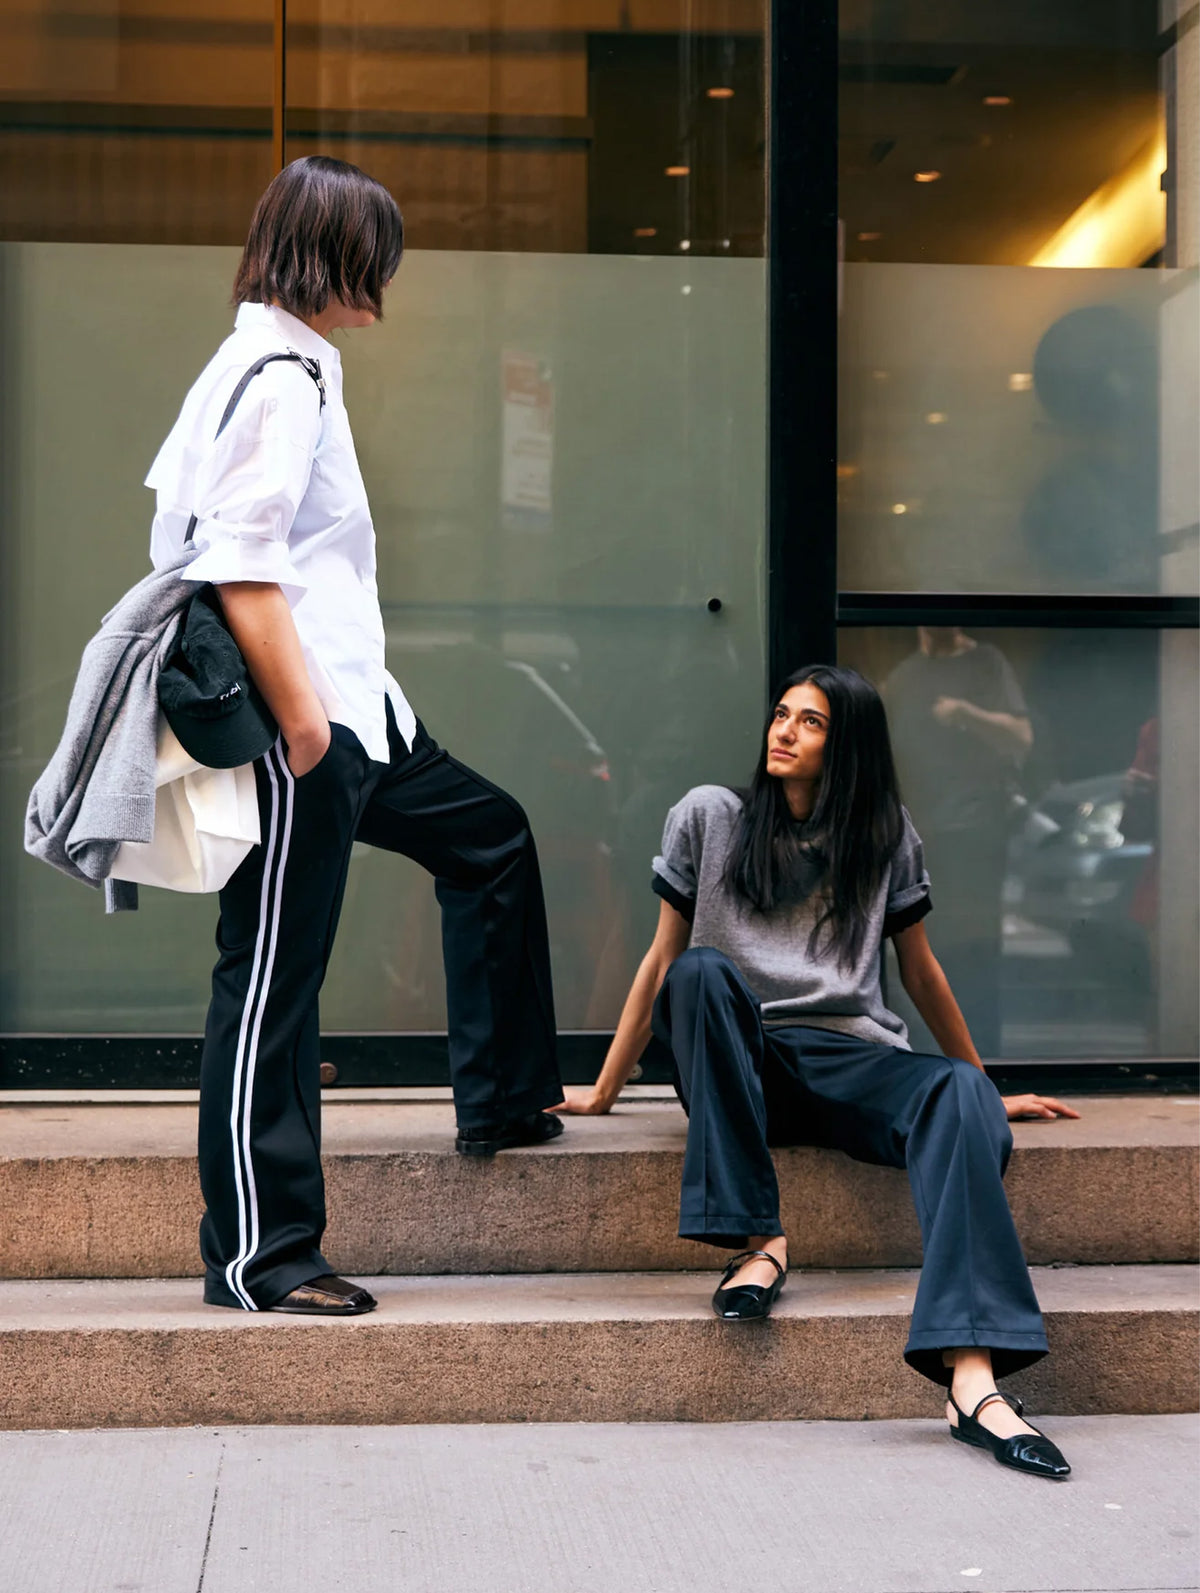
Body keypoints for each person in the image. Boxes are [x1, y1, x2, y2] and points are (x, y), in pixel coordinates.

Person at [147, 156, 564, 1317]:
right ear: (327, 256)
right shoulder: (274, 378)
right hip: (308, 730)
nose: (384, 278)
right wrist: (305, 734)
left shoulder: (297, 371)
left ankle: (506, 1097)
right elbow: (237, 565)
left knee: (490, 837)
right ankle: (262, 1255)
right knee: (273, 978)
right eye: (372, 254)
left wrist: (355, 715)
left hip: (359, 712)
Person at [556, 665, 1080, 1479]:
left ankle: (973, 1380)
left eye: (811, 722)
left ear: (850, 748)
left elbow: (922, 970)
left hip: (850, 1063)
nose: (784, 730)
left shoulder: (884, 835)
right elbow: (662, 960)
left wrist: (981, 1083)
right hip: (741, 1059)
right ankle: (760, 1240)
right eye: (781, 714)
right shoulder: (711, 817)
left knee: (958, 1093)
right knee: (701, 972)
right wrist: (604, 1089)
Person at [883, 627, 1033, 1056]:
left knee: (975, 952)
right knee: (925, 955)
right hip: (921, 837)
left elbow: (1021, 737)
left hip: (974, 834)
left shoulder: (985, 662)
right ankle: (935, 1058)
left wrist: (967, 713)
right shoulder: (907, 674)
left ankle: (982, 1057)